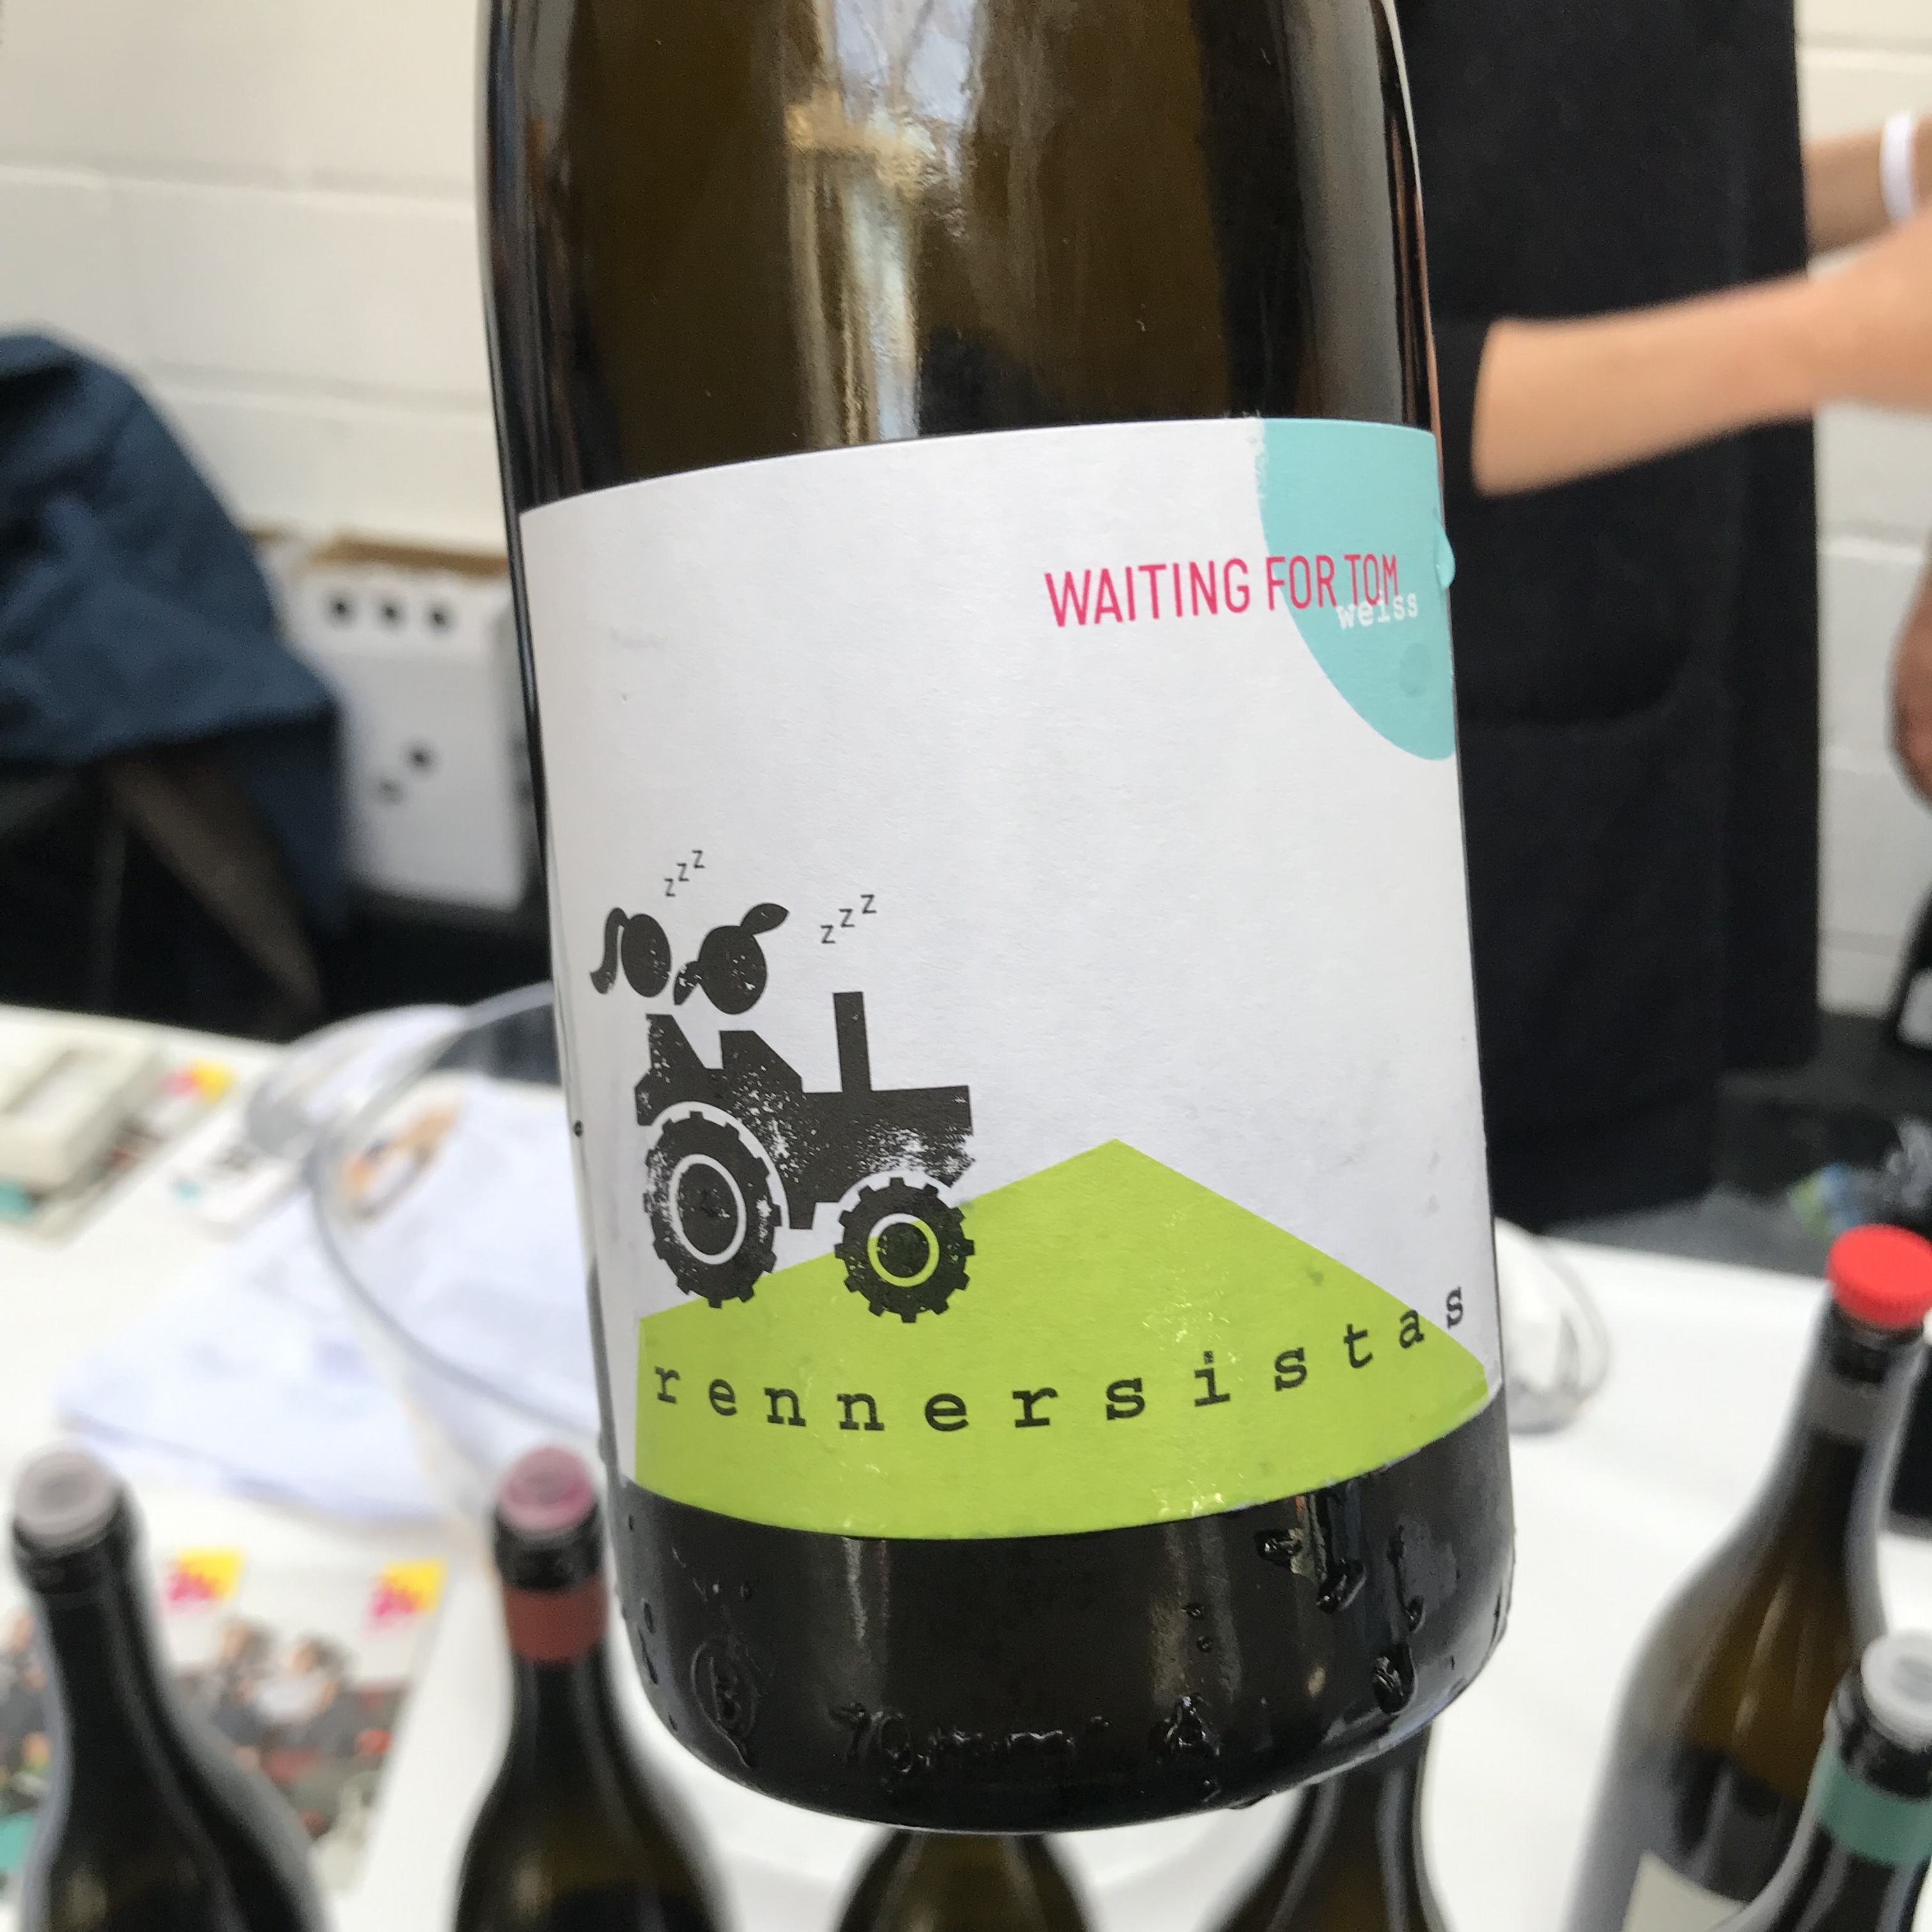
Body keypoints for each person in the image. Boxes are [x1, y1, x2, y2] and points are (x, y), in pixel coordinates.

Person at [1395, 0, 1932, 1227]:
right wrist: (1825, 341)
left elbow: (1602, 194)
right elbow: (1261, 369)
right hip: (1446, 708)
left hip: (1650, 652)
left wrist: (1897, 174)